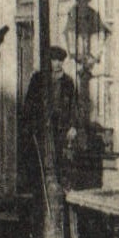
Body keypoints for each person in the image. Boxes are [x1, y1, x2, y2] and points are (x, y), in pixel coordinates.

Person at [20, 46, 81, 197]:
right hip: (41, 130)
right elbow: (28, 105)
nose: (58, 64)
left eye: (60, 60)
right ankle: (39, 195)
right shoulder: (38, 79)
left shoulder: (68, 82)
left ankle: (58, 195)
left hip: (60, 129)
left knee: (59, 163)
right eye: (54, 60)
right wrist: (30, 125)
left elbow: (74, 106)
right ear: (49, 61)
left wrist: (73, 126)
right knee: (39, 165)